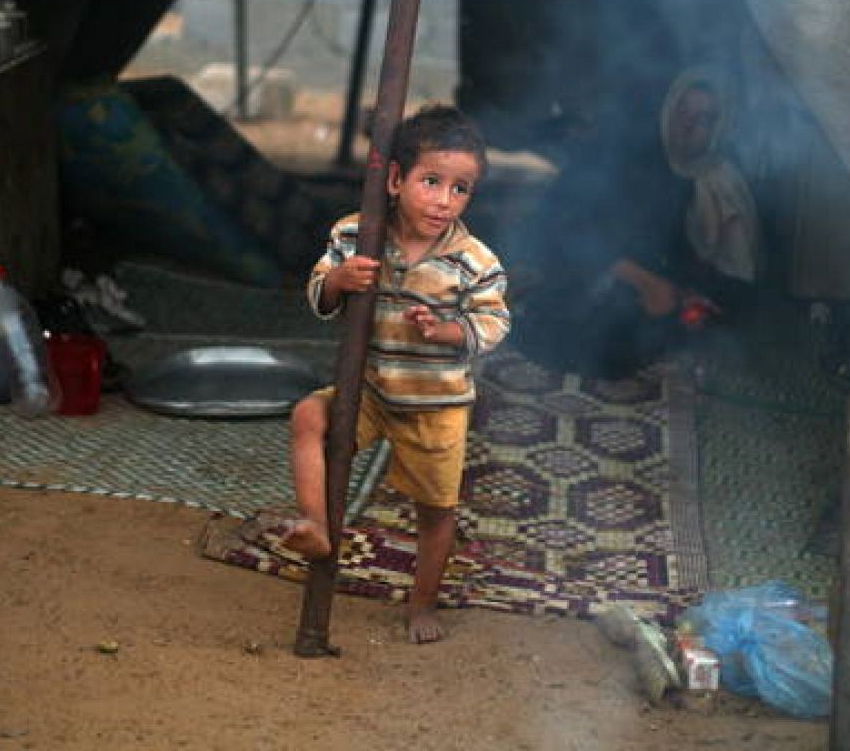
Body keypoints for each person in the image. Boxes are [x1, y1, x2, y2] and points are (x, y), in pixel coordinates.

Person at [284, 104, 510, 643]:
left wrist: (448, 331)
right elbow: (318, 293)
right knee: (308, 415)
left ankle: (422, 605)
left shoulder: (475, 261)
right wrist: (340, 279)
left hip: (437, 405)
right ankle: (316, 525)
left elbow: (495, 322)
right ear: (394, 179)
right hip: (371, 389)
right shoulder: (356, 233)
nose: (444, 200)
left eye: (461, 189)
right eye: (431, 182)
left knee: (435, 510)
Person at [510, 63, 757, 378]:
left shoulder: (720, 185)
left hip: (653, 291)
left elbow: (731, 272)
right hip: (591, 265)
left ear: (719, 129)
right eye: (683, 111)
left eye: (703, 120)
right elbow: (573, 225)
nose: (687, 126)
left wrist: (686, 295)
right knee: (593, 344)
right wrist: (644, 280)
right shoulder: (637, 157)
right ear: (670, 109)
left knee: (643, 342)